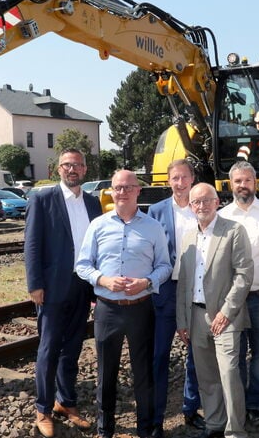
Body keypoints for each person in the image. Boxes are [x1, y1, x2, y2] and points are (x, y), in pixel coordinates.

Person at [75, 169, 173, 438]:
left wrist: (147, 282)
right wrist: (103, 280)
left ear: (138, 191)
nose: (122, 192)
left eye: (128, 187)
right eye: (118, 187)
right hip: (107, 309)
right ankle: (105, 429)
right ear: (111, 191)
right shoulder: (98, 225)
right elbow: (82, 265)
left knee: (144, 372)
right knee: (106, 373)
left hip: (141, 308)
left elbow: (165, 266)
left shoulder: (153, 227)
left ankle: (145, 428)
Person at [24, 148, 102, 438]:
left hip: (83, 285)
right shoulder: (42, 198)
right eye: (67, 165)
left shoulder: (93, 203)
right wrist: (35, 284)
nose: (73, 170)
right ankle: (42, 410)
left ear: (85, 170)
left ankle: (65, 402)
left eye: (78, 165)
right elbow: (31, 244)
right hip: (53, 287)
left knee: (73, 348)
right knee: (48, 350)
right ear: (58, 169)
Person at [176, 182, 253, 438]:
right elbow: (184, 282)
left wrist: (226, 312)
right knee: (207, 376)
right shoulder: (188, 238)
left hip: (226, 317)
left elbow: (244, 276)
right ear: (190, 206)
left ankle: (235, 431)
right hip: (196, 316)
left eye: (206, 200)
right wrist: (182, 320)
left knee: (229, 373)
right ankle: (214, 424)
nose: (201, 206)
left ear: (217, 201)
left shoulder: (233, 231)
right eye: (196, 202)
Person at [146, 159, 205, 437]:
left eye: (184, 177)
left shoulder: (203, 208)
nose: (179, 183)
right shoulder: (156, 211)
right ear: (168, 181)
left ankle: (191, 409)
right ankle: (156, 418)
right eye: (174, 178)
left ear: (192, 179)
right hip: (165, 293)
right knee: (159, 356)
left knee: (196, 353)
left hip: (197, 290)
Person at [217, 161, 259, 427]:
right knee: (236, 355)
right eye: (238, 181)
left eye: (248, 180)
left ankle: (255, 406)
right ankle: (238, 406)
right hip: (234, 301)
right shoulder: (223, 217)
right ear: (231, 184)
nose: (243, 185)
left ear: (255, 182)